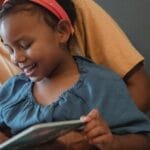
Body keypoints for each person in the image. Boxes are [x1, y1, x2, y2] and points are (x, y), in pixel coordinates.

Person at [0, 0, 150, 149]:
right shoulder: (11, 91)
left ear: (62, 32)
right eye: (10, 50)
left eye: (25, 45)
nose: (16, 58)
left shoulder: (100, 85)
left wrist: (112, 143)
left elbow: (142, 141)